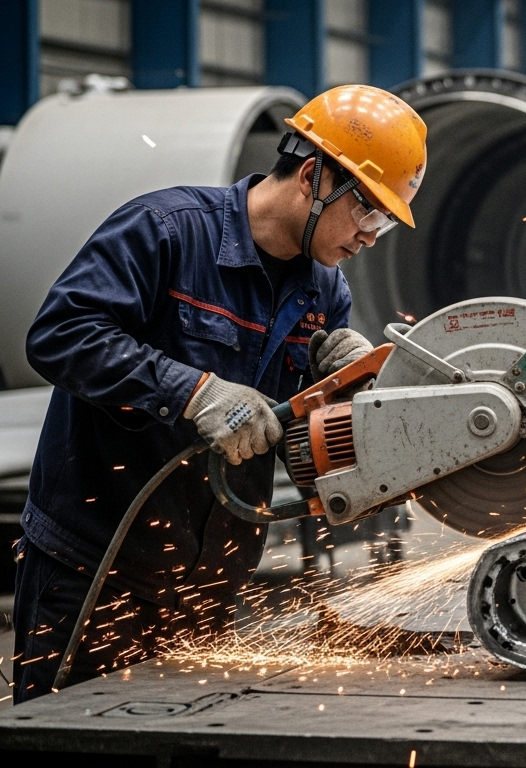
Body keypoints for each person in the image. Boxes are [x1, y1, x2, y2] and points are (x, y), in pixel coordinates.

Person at [10, 85, 427, 702]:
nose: (371, 235)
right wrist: (192, 391)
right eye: (368, 212)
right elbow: (59, 335)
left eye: (385, 223)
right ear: (314, 176)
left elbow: (295, 443)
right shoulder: (167, 232)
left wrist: (344, 395)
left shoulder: (325, 290)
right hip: (96, 569)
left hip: (210, 581)